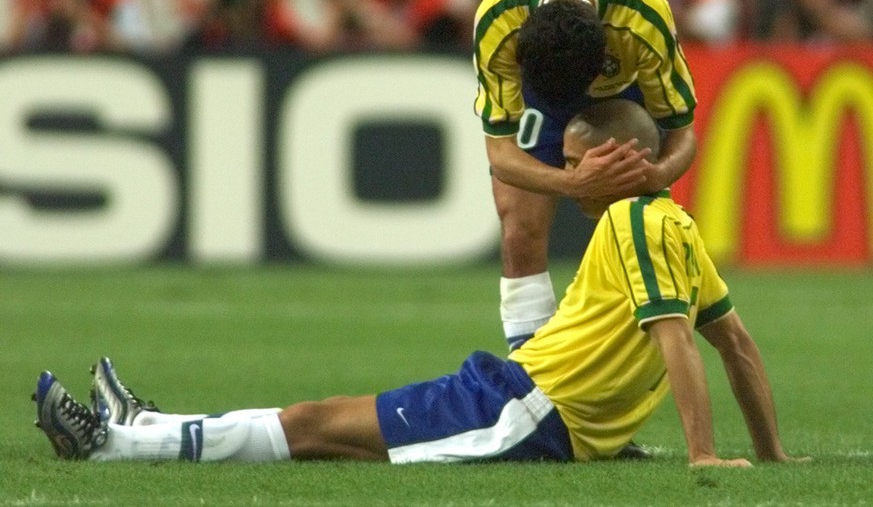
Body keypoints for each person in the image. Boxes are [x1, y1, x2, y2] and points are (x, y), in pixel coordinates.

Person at [34, 100, 803, 467]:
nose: (566, 177)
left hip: (522, 413)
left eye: (575, 162)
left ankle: (115, 448)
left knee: (316, 428)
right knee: (323, 425)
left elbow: (678, 342)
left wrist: (704, 455)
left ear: (626, 161)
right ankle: (149, 430)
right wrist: (767, 455)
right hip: (517, 394)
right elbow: (735, 343)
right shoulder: (675, 228)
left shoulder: (631, 224)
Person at [472, 0, 697, 350]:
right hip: (537, 96)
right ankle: (532, 371)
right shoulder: (499, 21)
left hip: (622, 89)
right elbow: (500, 156)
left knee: (634, 230)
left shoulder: (642, 18)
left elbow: (683, 132)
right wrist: (571, 182)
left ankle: (637, 346)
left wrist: (656, 174)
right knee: (519, 230)